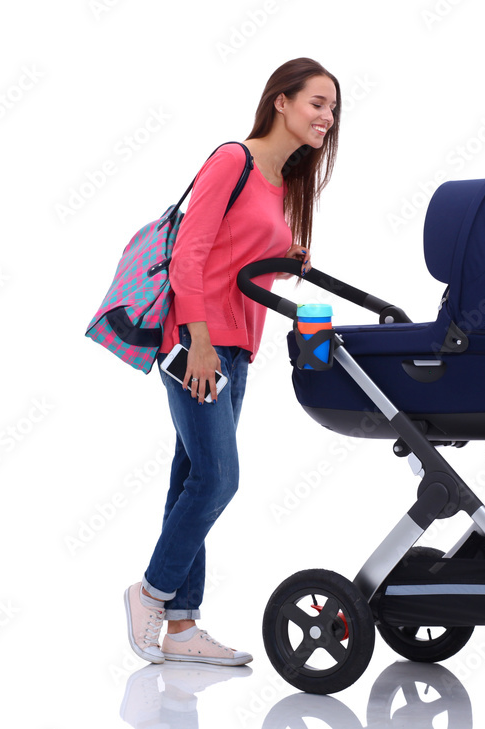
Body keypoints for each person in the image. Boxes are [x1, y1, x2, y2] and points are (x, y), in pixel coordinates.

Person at [124, 58, 340, 666]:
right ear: (281, 102)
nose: (327, 116)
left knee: (191, 477)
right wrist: (197, 340)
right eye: (316, 103)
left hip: (237, 346)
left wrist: (285, 259)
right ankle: (150, 592)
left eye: (332, 108)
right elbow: (190, 256)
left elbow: (235, 264)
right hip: (198, 344)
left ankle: (183, 626)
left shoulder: (279, 184)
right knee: (220, 478)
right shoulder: (233, 160)